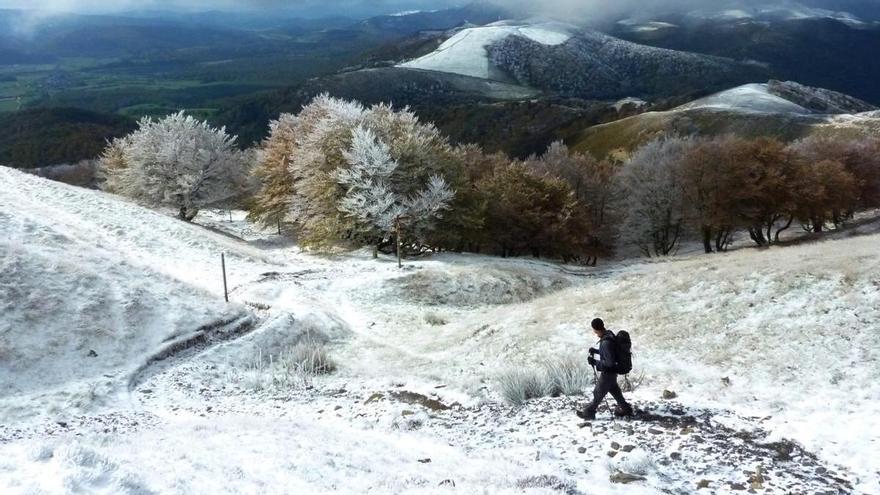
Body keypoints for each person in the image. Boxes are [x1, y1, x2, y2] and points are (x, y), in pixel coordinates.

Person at [577, 318, 633, 420]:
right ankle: (626, 409)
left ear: (595, 329)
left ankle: (589, 412)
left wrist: (595, 362)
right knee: (615, 392)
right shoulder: (609, 334)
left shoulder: (605, 342)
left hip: (608, 373)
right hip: (612, 374)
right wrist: (596, 351)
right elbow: (610, 353)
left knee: (597, 393)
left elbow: (609, 362)